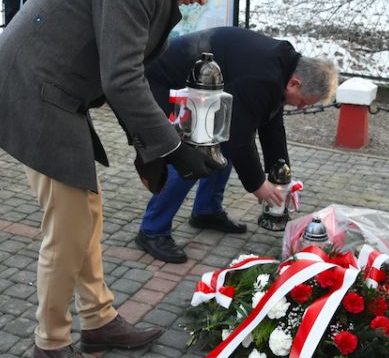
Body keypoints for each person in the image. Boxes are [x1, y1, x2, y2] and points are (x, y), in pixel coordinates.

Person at [0, 0, 235, 358]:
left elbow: (119, 73)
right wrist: (172, 147)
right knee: (68, 227)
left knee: (87, 214)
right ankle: (50, 343)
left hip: (58, 95)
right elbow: (121, 78)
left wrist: (150, 147)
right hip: (35, 92)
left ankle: (99, 320)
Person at [136, 27, 337, 263]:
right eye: (303, 102)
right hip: (163, 80)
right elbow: (240, 137)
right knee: (189, 156)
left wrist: (280, 173)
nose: (301, 107)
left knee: (219, 142)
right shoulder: (265, 77)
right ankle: (152, 231)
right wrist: (258, 185)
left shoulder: (282, 68)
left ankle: (206, 211)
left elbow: (271, 123)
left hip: (201, 87)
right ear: (294, 83)